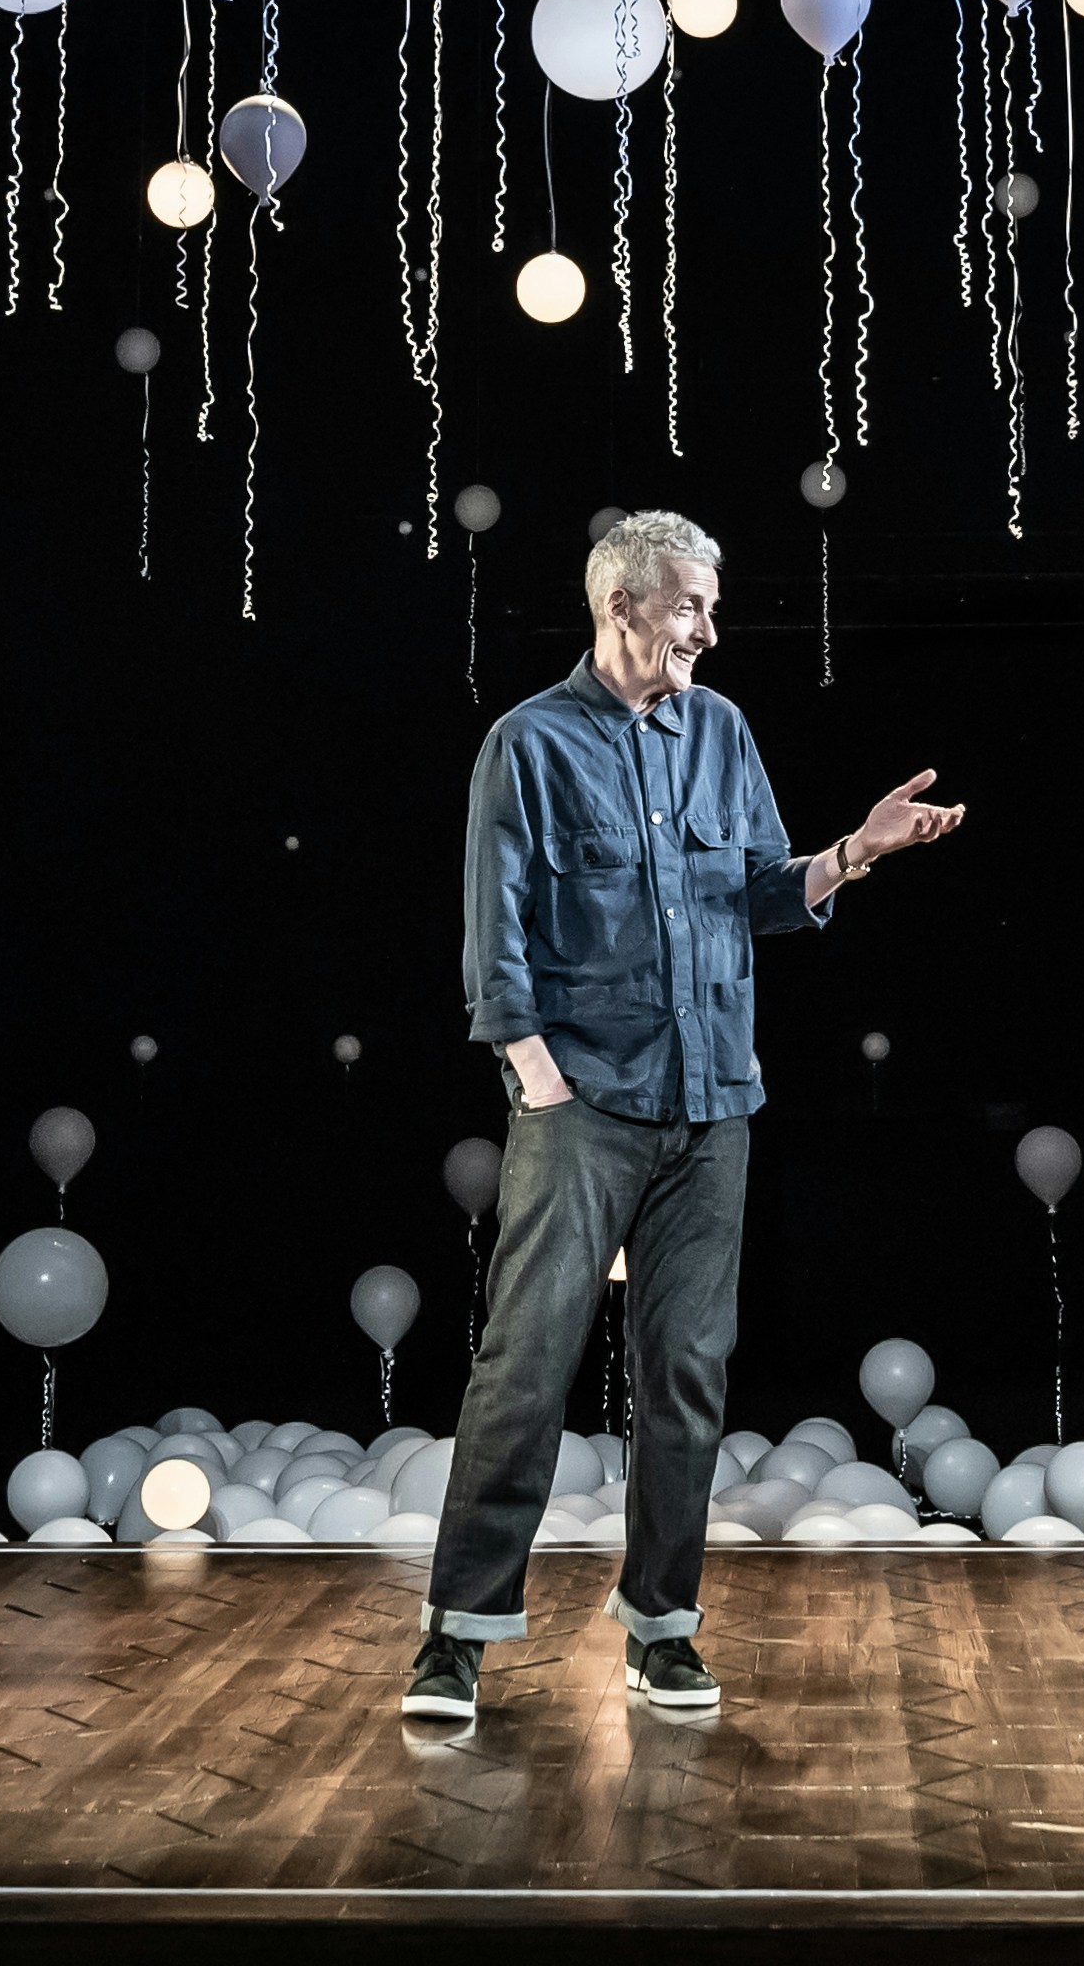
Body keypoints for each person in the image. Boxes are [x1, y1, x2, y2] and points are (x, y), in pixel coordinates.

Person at [405, 509, 966, 1722]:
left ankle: (660, 1626)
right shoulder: (529, 743)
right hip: (583, 1106)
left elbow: (757, 895)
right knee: (523, 1368)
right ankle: (456, 1633)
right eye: (689, 606)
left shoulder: (720, 730)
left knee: (688, 1375)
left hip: (713, 1106)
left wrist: (850, 853)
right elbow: (490, 940)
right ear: (624, 605)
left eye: (709, 605)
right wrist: (541, 1082)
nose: (710, 628)